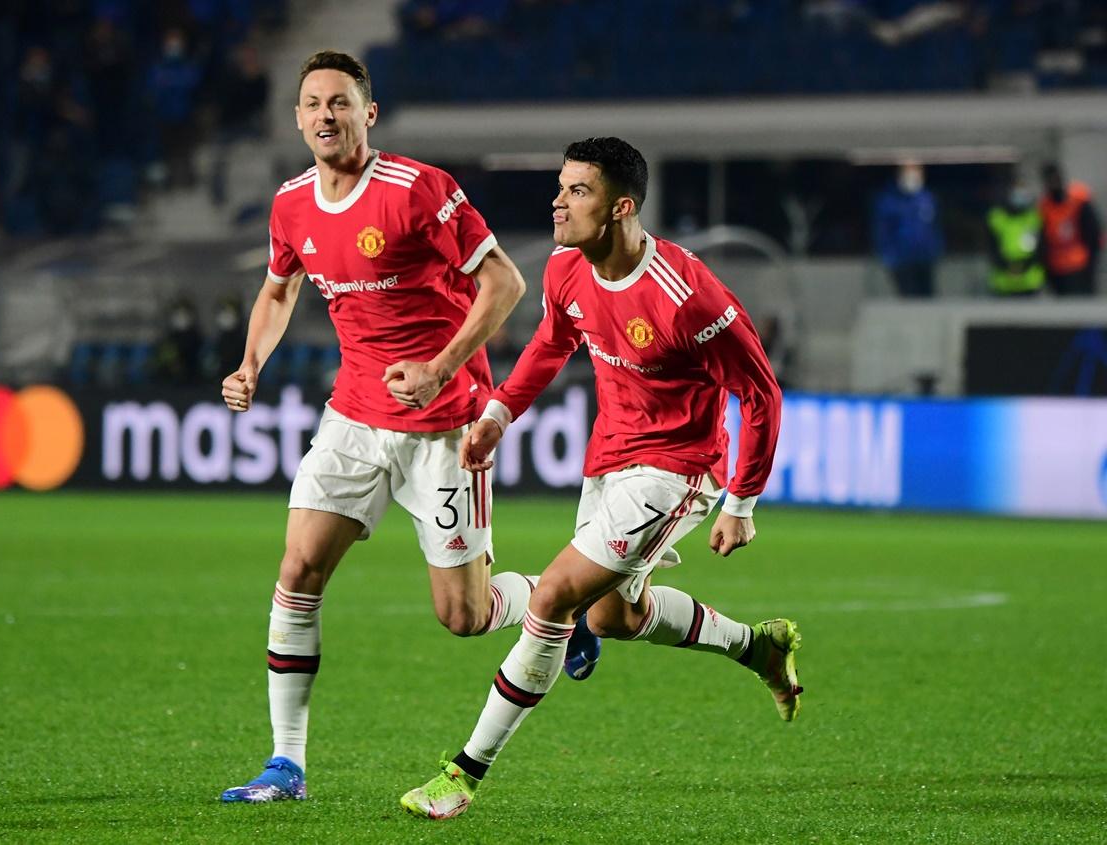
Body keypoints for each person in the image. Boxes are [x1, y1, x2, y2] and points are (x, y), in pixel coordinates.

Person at [400, 137, 799, 820]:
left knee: (553, 596)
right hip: (609, 457)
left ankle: (462, 774)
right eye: (559, 186)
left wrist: (742, 499)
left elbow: (761, 392)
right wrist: (498, 414)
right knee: (614, 614)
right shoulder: (565, 268)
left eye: (576, 190)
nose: (558, 200)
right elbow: (553, 340)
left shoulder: (687, 295)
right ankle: (757, 645)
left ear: (621, 207)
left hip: (678, 470)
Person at [218, 50, 564, 803]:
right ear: (298, 118)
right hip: (353, 417)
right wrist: (251, 365)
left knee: (464, 616)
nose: (324, 116)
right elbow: (278, 291)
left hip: (445, 425)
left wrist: (441, 367)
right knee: (297, 572)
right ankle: (286, 763)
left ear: (367, 114)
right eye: (311, 104)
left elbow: (505, 281)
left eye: (339, 102)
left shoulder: (419, 190)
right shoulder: (291, 205)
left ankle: (553, 597)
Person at [874, 160, 943, 298]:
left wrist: (937, 249)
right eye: (909, 172)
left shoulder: (926, 197)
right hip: (901, 260)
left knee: (928, 299)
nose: (913, 178)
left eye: (917, 173)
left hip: (925, 258)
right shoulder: (888, 201)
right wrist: (889, 256)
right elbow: (882, 232)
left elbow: (934, 227)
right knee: (909, 299)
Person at [1039, 162, 1102, 296]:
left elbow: (1093, 234)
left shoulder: (1078, 201)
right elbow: (1043, 239)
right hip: (1056, 268)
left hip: (1079, 265)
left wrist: (1091, 265)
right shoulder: (1045, 206)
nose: (1053, 183)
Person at [986, 180, 1044, 297]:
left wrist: (1023, 266)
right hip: (1004, 281)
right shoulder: (997, 218)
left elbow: (1039, 247)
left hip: (1029, 280)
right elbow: (992, 248)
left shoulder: (1033, 217)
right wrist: (1007, 266)